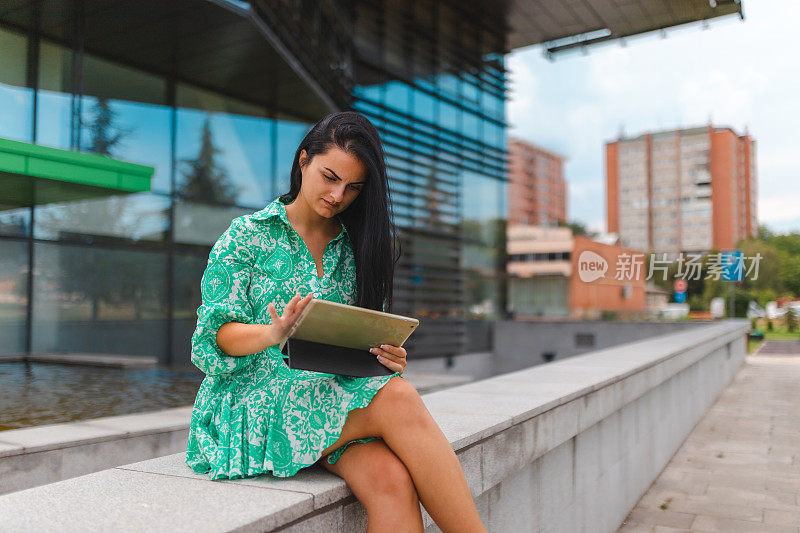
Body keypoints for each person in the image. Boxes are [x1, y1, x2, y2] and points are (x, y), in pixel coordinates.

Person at [185, 111, 486, 532]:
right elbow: (215, 339)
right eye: (329, 176)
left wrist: (386, 356)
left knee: (392, 481)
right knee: (397, 399)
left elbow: (360, 338)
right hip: (252, 402)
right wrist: (274, 333)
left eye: (353, 188)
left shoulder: (356, 247)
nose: (338, 195)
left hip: (329, 398)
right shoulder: (246, 236)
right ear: (303, 160)